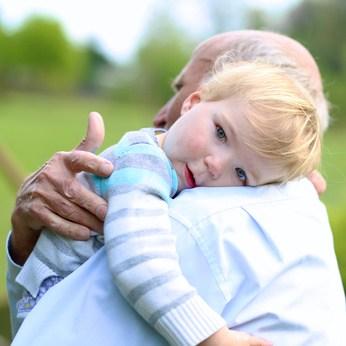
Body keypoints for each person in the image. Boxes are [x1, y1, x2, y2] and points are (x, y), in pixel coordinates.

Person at [7, 31, 345, 345]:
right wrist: (26, 241)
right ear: (196, 104)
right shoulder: (150, 168)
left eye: (242, 172)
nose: (158, 117)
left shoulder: (197, 223)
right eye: (220, 132)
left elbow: (48, 329)